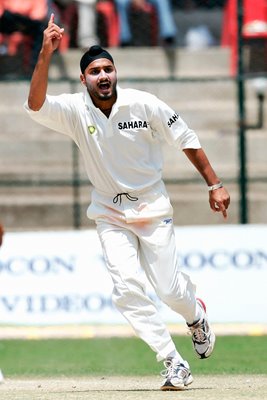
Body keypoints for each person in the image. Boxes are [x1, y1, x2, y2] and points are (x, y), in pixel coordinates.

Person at [24, 14, 230, 390]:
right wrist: (45, 53)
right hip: (109, 213)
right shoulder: (74, 110)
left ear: (115, 73)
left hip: (152, 209)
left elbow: (186, 136)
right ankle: (172, 360)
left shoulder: (143, 104)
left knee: (169, 291)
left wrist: (213, 184)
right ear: (83, 79)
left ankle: (195, 316)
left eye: (108, 69)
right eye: (94, 71)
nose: (103, 76)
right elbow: (36, 104)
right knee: (126, 289)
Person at [0, 0, 49, 72]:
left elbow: (39, 13)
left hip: (27, 21)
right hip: (8, 18)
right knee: (7, 16)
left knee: (41, 29)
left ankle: (35, 67)